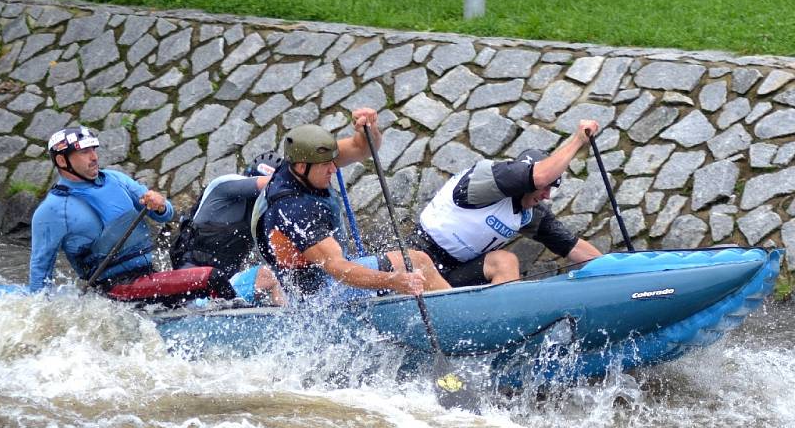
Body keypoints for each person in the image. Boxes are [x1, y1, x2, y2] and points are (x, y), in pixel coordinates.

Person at [253, 108, 451, 302]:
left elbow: (361, 148)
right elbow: (339, 268)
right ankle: (461, 310)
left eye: (332, 162)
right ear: (301, 167)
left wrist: (367, 128)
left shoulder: (307, 162)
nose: (333, 168)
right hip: (317, 295)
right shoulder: (293, 211)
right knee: (418, 262)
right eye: (326, 166)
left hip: (330, 273)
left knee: (408, 264)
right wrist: (393, 281)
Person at [409, 120, 604, 287]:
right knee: (505, 259)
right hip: (417, 261)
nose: (547, 195)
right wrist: (578, 140)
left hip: (454, 272)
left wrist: (614, 269)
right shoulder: (487, 178)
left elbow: (572, 246)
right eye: (545, 188)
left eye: (551, 189)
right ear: (522, 178)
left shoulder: (529, 211)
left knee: (504, 261)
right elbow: (541, 176)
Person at [29, 126, 174, 292]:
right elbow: (40, 273)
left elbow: (166, 215)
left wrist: (160, 205)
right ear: (62, 161)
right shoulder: (51, 210)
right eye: (84, 152)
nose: (94, 157)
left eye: (93, 149)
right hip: (111, 291)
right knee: (210, 277)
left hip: (148, 277)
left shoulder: (117, 179)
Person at [169, 153, 284, 306]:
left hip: (224, 292)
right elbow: (274, 185)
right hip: (191, 292)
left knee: (284, 275)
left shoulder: (261, 216)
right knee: (269, 275)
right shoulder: (223, 186)